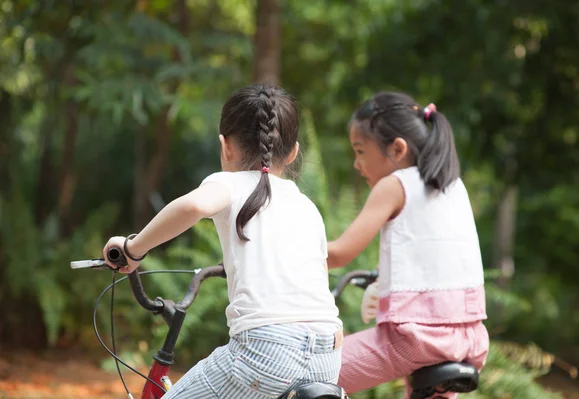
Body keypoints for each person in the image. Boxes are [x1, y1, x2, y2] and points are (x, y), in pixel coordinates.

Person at [103, 84, 343, 399]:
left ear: (225, 146)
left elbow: (193, 206)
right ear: (294, 151)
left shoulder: (229, 183)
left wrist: (133, 249)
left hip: (265, 353)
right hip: (329, 356)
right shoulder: (307, 207)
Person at [327, 91, 489, 398]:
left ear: (397, 149)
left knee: (308, 371)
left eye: (360, 151)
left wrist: (276, 253)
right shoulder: (452, 185)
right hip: (470, 340)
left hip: (417, 340)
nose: (356, 164)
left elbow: (338, 253)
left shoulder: (395, 185)